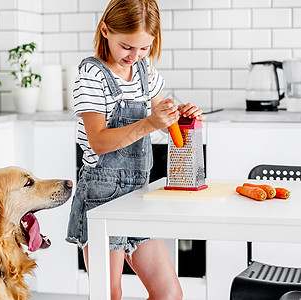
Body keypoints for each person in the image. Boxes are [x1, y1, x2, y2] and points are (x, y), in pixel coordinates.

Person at [66, 0, 203, 299]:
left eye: (144, 48)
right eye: (127, 46)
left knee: (169, 294)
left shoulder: (144, 69)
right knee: (109, 294)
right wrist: (151, 123)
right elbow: (98, 142)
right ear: (105, 30)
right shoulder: (92, 75)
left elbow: (164, 120)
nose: (135, 56)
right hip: (101, 195)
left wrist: (179, 117)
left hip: (139, 195)